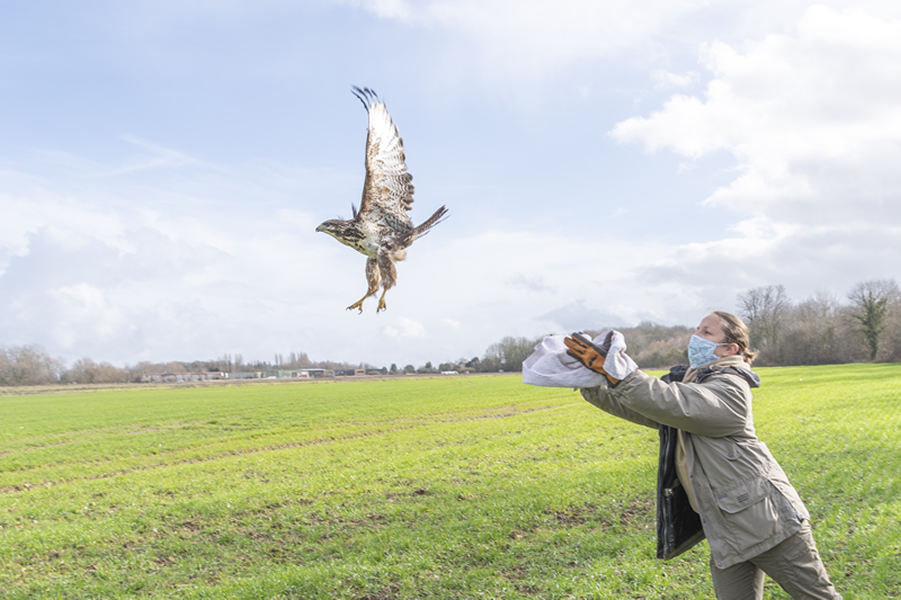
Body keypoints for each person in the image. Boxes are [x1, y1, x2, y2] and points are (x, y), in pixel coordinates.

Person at [563, 311, 841, 600]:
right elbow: (650, 408)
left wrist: (624, 375)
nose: (696, 337)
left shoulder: (731, 384)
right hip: (728, 530)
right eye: (697, 330)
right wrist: (596, 382)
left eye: (707, 333)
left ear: (730, 349)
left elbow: (675, 403)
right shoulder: (697, 381)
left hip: (770, 524)